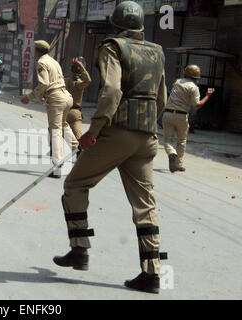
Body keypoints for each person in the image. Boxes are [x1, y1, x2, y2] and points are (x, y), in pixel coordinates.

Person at [52, 1, 168, 294]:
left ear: (115, 25)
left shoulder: (112, 47)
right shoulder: (157, 51)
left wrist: (95, 130)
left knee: (76, 184)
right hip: (147, 135)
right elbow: (162, 98)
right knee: (145, 205)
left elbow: (113, 90)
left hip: (118, 132)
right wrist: (147, 124)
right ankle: (152, 273)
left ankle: (80, 249)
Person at [21, 40, 79, 179]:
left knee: (55, 131)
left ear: (37, 50)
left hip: (56, 98)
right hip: (66, 96)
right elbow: (54, 80)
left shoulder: (41, 62)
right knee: (63, 125)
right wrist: (42, 95)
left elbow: (44, 83)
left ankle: (58, 166)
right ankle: (78, 149)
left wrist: (30, 97)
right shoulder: (53, 61)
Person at [162, 65, 215, 173]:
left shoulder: (177, 82)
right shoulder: (194, 87)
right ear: (197, 77)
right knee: (181, 140)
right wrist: (208, 96)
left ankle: (172, 153)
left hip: (168, 114)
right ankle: (178, 164)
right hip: (181, 116)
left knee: (168, 140)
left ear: (186, 73)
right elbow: (196, 105)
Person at [65, 57, 92, 141]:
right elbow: (88, 80)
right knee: (79, 141)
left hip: (63, 112)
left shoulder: (64, 81)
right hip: (75, 114)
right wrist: (81, 66)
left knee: (55, 139)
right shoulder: (78, 84)